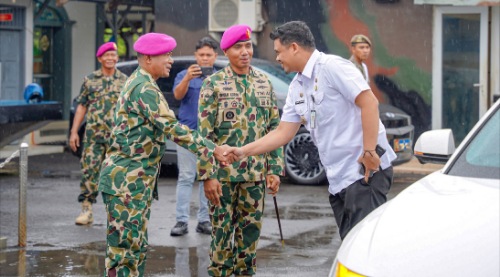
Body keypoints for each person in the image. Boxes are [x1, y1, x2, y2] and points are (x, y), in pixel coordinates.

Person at [227, 21, 397, 240]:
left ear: (294, 47)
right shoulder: (297, 87)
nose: (277, 57)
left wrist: (370, 152)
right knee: (351, 246)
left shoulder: (332, 67)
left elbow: (369, 103)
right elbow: (283, 132)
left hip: (363, 173)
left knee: (363, 248)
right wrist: (243, 151)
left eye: (279, 52)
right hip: (338, 181)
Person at [97, 33, 233, 277]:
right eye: (166, 55)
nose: (171, 60)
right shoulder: (144, 88)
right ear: (149, 59)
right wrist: (214, 149)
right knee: (125, 254)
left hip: (133, 181)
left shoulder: (143, 82)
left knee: (134, 249)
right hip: (126, 182)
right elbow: (174, 128)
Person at [198, 24, 284, 276]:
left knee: (250, 237)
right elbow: (204, 136)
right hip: (222, 177)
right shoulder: (213, 84)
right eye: (238, 47)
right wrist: (208, 175)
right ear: (226, 51)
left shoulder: (264, 82)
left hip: (255, 175)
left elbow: (274, 129)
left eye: (248, 46)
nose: (245, 51)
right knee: (221, 236)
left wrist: (274, 169)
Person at [69, 42, 128, 225]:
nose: (110, 58)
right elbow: (81, 106)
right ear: (100, 58)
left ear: (117, 58)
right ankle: (86, 210)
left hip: (116, 139)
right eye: (106, 55)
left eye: (113, 55)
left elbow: (130, 108)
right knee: (89, 173)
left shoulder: (125, 81)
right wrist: (74, 132)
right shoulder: (90, 80)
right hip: (93, 137)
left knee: (116, 175)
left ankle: (117, 213)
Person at [170, 37, 219, 236]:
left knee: (207, 177)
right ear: (195, 56)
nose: (205, 59)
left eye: (209, 55)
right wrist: (187, 79)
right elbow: (177, 96)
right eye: (201, 55)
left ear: (216, 56)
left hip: (210, 137)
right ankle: (181, 221)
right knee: (186, 177)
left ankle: (204, 220)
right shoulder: (184, 74)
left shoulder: (220, 77)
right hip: (187, 134)